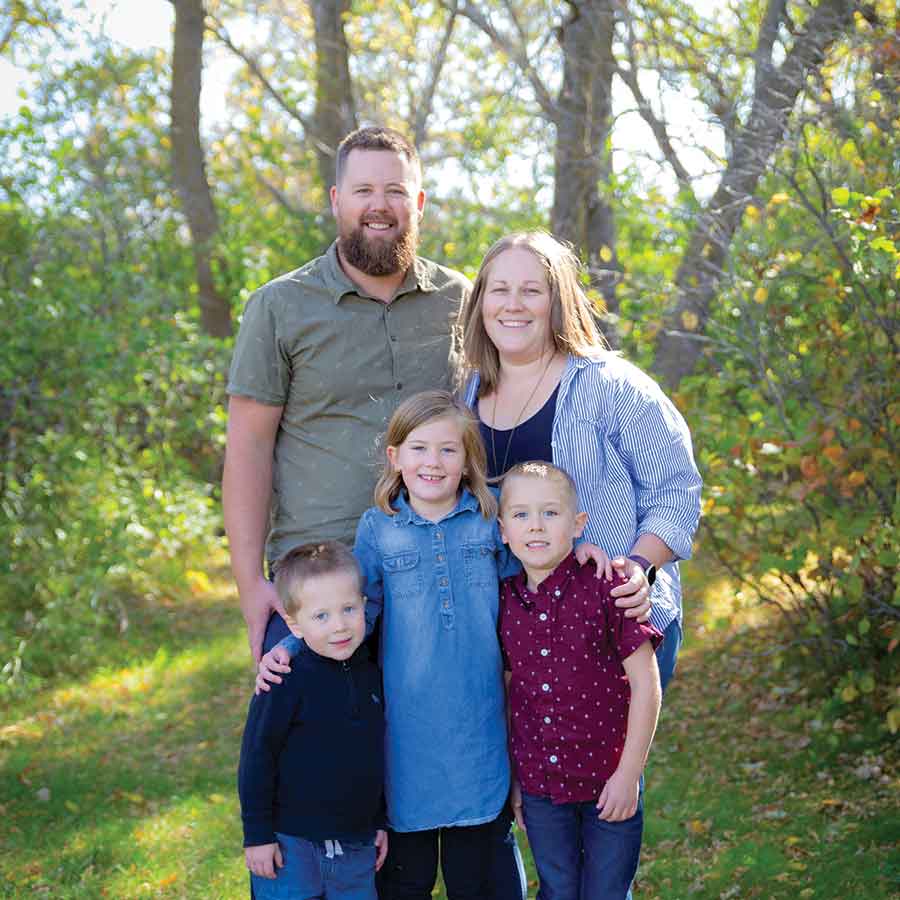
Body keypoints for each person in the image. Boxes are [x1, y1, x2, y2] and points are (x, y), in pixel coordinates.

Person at [223, 125, 468, 666]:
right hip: (320, 582)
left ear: (419, 203)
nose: (379, 206)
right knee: (321, 745)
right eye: (363, 191)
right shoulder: (279, 306)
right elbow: (247, 451)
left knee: (428, 744)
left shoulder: (461, 300)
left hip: (438, 567)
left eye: (396, 191)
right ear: (337, 200)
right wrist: (249, 585)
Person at [457, 231, 702, 691]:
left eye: (531, 291)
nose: (514, 304)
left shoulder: (611, 386)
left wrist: (639, 566)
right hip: (515, 636)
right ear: (480, 302)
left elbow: (677, 491)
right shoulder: (466, 395)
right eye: (500, 290)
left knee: (608, 764)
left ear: (558, 301)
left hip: (608, 624)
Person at [497, 462, 662, 899]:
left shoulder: (609, 587)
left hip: (610, 781)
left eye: (550, 513)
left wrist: (630, 774)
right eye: (521, 515)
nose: (535, 526)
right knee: (559, 890)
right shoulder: (504, 602)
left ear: (578, 524)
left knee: (607, 892)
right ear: (502, 530)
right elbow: (510, 693)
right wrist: (515, 775)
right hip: (542, 785)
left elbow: (647, 685)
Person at [237, 541, 388, 900]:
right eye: (321, 616)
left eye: (348, 609)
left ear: (364, 606)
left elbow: (371, 756)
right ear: (294, 624)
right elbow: (257, 759)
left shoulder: (369, 672)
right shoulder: (284, 678)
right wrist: (258, 836)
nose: (339, 626)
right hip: (292, 845)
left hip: (355, 845)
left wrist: (377, 821)